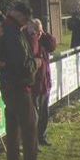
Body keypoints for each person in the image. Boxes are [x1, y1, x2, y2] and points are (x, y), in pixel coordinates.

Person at [0, 2, 48, 160]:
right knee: (29, 133)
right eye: (25, 19)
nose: (26, 23)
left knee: (12, 133)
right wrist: (35, 63)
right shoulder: (13, 34)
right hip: (20, 89)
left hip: (9, 88)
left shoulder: (6, 30)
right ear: (19, 16)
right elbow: (21, 63)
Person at [26, 19, 56, 147]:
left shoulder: (43, 39)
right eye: (36, 31)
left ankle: (42, 136)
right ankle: (33, 142)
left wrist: (44, 33)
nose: (38, 34)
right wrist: (33, 37)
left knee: (44, 113)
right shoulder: (28, 41)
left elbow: (52, 45)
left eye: (40, 32)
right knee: (34, 116)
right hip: (34, 85)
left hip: (45, 83)